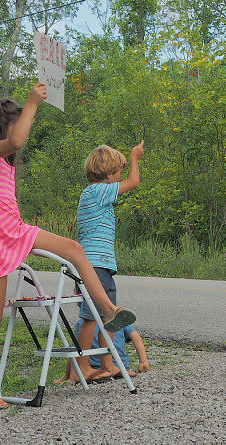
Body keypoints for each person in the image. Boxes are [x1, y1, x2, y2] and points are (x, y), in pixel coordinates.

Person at [0, 82, 137, 409]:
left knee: (74, 248)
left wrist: (30, 109)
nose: (19, 138)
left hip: (14, 230)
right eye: (16, 124)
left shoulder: (4, 161)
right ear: (1, 126)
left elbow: (16, 142)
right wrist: (33, 102)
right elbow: (16, 140)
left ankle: (110, 310)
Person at [66, 143, 145, 382]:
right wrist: (134, 158)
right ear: (108, 174)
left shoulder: (96, 193)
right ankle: (82, 368)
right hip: (94, 265)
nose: (121, 176)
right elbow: (133, 183)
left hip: (101, 264)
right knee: (91, 317)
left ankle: (108, 365)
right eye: (118, 171)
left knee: (108, 316)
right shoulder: (97, 191)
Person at [53, 323, 150, 385]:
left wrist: (67, 375)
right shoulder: (116, 318)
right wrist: (143, 361)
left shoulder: (83, 324)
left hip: (95, 367)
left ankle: (98, 374)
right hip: (122, 364)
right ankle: (118, 370)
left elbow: (74, 350)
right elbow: (135, 336)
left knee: (79, 349)